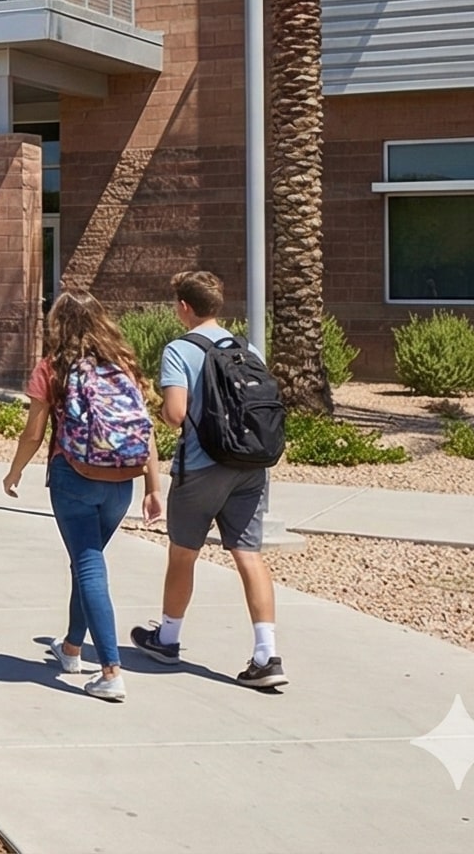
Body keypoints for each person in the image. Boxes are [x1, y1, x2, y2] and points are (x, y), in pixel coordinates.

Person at [3, 291, 163, 703]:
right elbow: (144, 430)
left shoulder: (51, 368)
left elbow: (35, 433)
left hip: (73, 475)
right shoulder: (122, 365)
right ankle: (72, 648)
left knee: (89, 566)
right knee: (85, 560)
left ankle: (110, 671)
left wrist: (15, 469)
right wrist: (153, 486)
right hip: (121, 480)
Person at [131, 269, 286, 689]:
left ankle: (167, 638)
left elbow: (177, 413)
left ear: (184, 306)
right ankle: (266, 653)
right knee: (248, 554)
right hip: (251, 465)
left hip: (202, 466)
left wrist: (162, 411)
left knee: (183, 553)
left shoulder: (179, 350)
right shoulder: (246, 346)